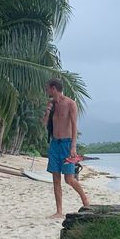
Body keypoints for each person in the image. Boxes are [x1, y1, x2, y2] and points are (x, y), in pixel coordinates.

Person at [41, 78, 90, 219]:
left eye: (48, 88)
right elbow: (44, 124)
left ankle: (85, 200)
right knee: (55, 178)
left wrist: (73, 146)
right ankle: (59, 210)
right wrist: (47, 111)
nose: (47, 91)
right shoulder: (51, 104)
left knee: (69, 178)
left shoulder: (70, 104)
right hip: (54, 144)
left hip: (67, 144)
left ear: (53, 89)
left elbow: (75, 126)